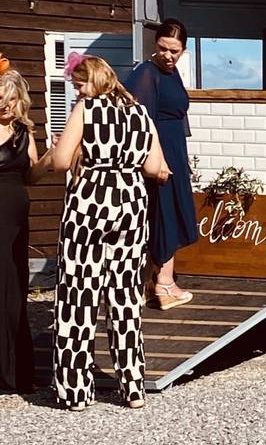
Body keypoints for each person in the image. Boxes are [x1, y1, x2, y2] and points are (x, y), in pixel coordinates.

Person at [49, 54, 166, 411]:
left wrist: (64, 146)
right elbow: (154, 166)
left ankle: (75, 392)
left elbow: (59, 162)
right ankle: (132, 388)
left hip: (90, 205)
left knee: (77, 298)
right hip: (130, 205)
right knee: (125, 299)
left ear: (94, 81)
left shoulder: (86, 110)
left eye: (78, 84)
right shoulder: (141, 114)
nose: (77, 90)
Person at [126, 18, 196, 310]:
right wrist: (158, 162)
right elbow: (142, 123)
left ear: (183, 50)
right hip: (159, 156)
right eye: (163, 48)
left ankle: (147, 284)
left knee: (171, 215)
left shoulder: (172, 73)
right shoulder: (146, 72)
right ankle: (165, 284)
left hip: (174, 151)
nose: (168, 55)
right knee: (164, 216)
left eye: (174, 51)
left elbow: (179, 116)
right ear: (155, 44)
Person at [0, 63, 47, 394]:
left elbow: (32, 175)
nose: (6, 105)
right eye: (2, 98)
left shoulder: (24, 132)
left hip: (17, 219)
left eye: (12, 99)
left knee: (15, 289)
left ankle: (17, 372)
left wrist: (53, 156)